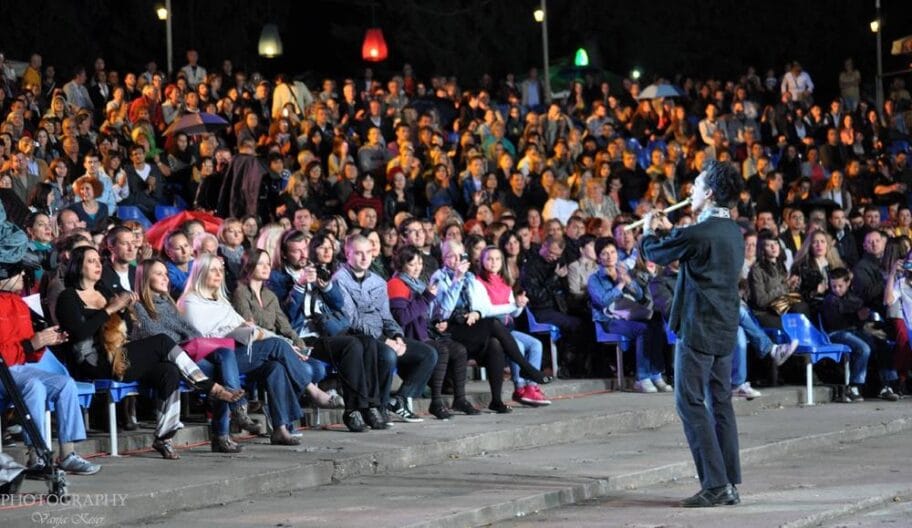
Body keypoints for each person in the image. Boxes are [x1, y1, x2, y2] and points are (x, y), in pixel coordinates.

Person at [56, 247, 240, 459]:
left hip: (120, 357)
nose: (98, 265)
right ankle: (209, 387)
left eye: (99, 260)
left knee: (169, 370)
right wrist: (109, 310)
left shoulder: (104, 291)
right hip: (95, 362)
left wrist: (124, 311)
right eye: (91, 261)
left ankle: (164, 436)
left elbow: (124, 327)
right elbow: (79, 334)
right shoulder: (68, 297)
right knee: (162, 342)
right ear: (78, 266)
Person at [640, 160, 744, 507]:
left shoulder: (700, 232)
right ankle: (729, 481)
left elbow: (656, 252)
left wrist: (649, 231)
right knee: (720, 403)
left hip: (698, 328)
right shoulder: (732, 231)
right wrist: (672, 231)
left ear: (710, 193)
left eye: (697, 185)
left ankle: (714, 484)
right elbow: (694, 249)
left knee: (690, 403)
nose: (691, 192)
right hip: (725, 328)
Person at [178, 253, 320, 446]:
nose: (219, 274)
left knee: (275, 367)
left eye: (220, 270)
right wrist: (240, 330)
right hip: (206, 361)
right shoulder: (189, 301)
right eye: (213, 270)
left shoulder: (221, 302)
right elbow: (206, 335)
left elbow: (246, 327)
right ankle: (310, 389)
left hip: (229, 355)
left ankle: (281, 428)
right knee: (274, 346)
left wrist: (285, 342)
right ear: (200, 273)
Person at [131, 258, 250, 452]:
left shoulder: (168, 303)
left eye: (166, 274)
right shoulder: (138, 305)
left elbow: (190, 331)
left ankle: (234, 413)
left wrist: (198, 342)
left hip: (187, 353)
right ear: (145, 278)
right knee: (222, 373)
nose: (165, 278)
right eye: (159, 274)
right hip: (165, 358)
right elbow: (152, 333)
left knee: (225, 355)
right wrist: (184, 340)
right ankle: (227, 426)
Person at [0, 261, 101, 475]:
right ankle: (37, 456)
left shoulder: (19, 304)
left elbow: (30, 350)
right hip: (4, 372)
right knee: (34, 385)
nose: (23, 278)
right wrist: (32, 344)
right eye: (19, 274)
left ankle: (68, 454)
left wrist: (46, 341)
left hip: (19, 367)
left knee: (65, 384)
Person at [333, 234, 438, 423]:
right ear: (347, 254)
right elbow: (352, 320)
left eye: (368, 252)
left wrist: (397, 335)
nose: (365, 258)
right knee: (388, 355)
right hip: (359, 338)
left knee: (428, 354)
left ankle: (400, 399)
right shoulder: (339, 280)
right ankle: (378, 407)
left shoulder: (378, 281)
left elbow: (387, 316)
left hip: (384, 335)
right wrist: (384, 340)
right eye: (358, 253)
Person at [387, 245, 474, 418]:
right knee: (440, 350)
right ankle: (436, 401)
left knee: (459, 350)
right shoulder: (396, 284)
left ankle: (460, 399)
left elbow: (425, 311)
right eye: (412, 264)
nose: (418, 267)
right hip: (408, 337)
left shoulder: (417, 283)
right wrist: (426, 297)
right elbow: (402, 318)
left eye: (420, 263)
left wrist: (437, 320)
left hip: (425, 332)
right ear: (401, 265)